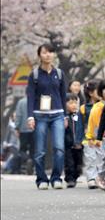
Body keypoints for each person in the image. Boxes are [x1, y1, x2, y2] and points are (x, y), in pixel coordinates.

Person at [26, 43, 68, 190]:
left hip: (58, 115)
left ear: (54, 55)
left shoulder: (60, 74)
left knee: (59, 148)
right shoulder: (35, 75)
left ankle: (56, 178)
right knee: (40, 150)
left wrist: (66, 116)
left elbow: (63, 96)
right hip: (39, 116)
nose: (48, 55)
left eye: (50, 52)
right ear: (39, 55)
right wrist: (30, 117)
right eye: (44, 52)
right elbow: (30, 97)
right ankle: (41, 179)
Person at [84, 79, 105, 189]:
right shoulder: (89, 108)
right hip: (95, 136)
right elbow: (86, 123)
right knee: (95, 158)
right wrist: (87, 136)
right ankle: (94, 178)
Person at [64, 94, 85, 187]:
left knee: (78, 163)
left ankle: (75, 176)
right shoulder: (64, 117)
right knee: (69, 163)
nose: (74, 105)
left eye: (75, 103)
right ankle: (70, 179)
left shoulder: (79, 115)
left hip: (78, 144)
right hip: (68, 144)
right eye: (70, 103)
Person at [13, 96, 34, 175]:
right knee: (33, 149)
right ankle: (31, 164)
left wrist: (17, 127)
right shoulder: (36, 101)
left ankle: (26, 160)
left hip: (23, 129)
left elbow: (18, 115)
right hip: (34, 129)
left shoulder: (21, 102)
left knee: (22, 149)